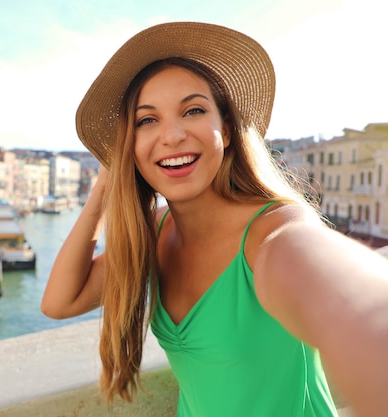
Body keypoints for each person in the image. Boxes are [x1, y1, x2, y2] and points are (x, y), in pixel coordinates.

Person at [41, 22, 388, 417]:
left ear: (225, 128)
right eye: (146, 120)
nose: (171, 136)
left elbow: (363, 312)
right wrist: (105, 187)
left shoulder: (273, 230)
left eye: (193, 110)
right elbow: (59, 302)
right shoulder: (154, 233)